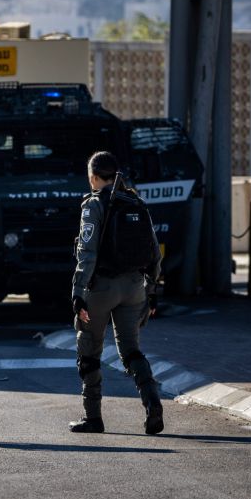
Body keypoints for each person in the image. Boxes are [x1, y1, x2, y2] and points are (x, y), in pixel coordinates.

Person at [69, 151, 163, 435]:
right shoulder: (136, 202)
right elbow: (154, 252)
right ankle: (153, 405)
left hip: (101, 289)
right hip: (134, 288)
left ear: (95, 177)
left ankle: (93, 418)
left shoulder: (93, 205)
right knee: (132, 350)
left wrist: (77, 292)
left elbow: (86, 253)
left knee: (89, 351)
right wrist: (153, 291)